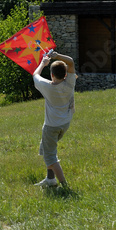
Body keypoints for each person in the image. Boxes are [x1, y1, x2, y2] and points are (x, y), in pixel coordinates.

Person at [32, 50, 76, 188]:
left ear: (52, 75)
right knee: (46, 148)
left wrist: (43, 63)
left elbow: (35, 74)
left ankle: (64, 185)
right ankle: (50, 179)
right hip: (65, 123)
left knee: (50, 156)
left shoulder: (46, 86)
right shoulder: (70, 82)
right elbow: (71, 61)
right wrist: (57, 56)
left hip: (51, 126)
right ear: (65, 74)